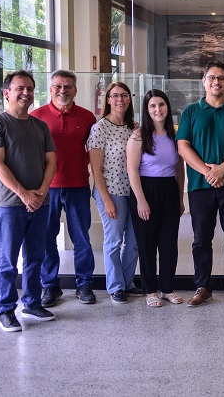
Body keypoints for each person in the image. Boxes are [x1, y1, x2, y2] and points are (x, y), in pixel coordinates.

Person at [0, 70, 57, 331]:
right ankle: (5, 310)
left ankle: (32, 303)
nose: (26, 93)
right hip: (10, 206)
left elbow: (51, 161)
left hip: (40, 203)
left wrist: (42, 192)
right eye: (20, 88)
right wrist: (24, 194)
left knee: (36, 258)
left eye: (30, 88)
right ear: (7, 93)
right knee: (8, 262)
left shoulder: (40, 126)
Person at [177, 62, 224, 307]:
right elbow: (183, 147)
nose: (216, 82)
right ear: (204, 81)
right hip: (200, 186)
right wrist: (208, 171)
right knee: (201, 239)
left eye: (221, 78)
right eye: (211, 78)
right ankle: (203, 286)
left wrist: (222, 169)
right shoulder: (191, 111)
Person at [30, 70, 97, 307]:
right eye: (58, 86)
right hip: (47, 189)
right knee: (47, 238)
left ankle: (84, 284)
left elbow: (94, 151)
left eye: (68, 86)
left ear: (75, 90)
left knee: (81, 239)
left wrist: (81, 164)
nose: (62, 90)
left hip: (78, 186)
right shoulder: (37, 117)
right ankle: (50, 286)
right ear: (50, 90)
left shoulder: (87, 117)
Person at [127, 90, 186, 308]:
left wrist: (180, 198)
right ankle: (150, 290)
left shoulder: (174, 135)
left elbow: (179, 169)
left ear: (168, 107)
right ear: (146, 110)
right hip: (145, 189)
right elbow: (132, 170)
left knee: (169, 243)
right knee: (147, 243)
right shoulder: (138, 136)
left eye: (161, 105)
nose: (158, 109)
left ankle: (168, 289)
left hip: (169, 189)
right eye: (152, 106)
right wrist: (141, 200)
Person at [87, 81, 139, 304]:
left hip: (133, 191)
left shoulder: (134, 127)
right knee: (114, 239)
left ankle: (127, 282)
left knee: (134, 241)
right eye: (115, 95)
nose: (120, 99)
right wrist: (106, 199)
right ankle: (116, 286)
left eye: (124, 95)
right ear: (107, 99)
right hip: (111, 191)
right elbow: (96, 169)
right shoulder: (100, 128)